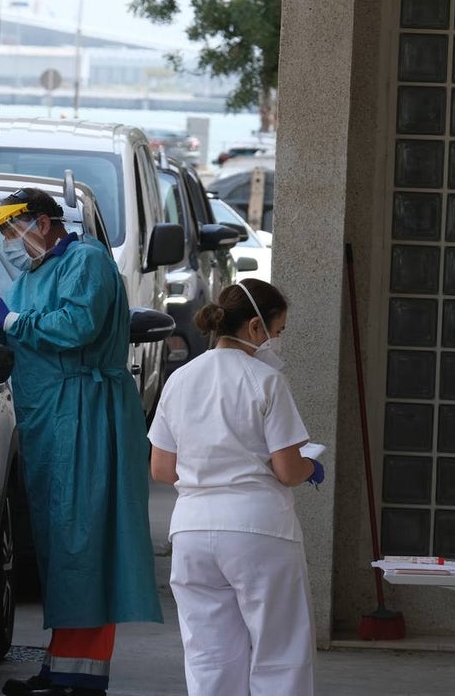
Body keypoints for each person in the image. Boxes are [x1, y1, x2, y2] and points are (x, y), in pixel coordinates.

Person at [0, 188, 162, 696]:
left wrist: (11, 320)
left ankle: (80, 678)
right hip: (51, 423)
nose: (10, 243)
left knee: (84, 542)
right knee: (60, 546)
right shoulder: (34, 272)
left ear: (44, 223)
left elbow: (75, 327)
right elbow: (28, 332)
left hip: (85, 418)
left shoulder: (86, 262)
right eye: (3, 236)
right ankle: (60, 667)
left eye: (13, 231)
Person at [147, 279, 322, 696]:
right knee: (280, 654)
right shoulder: (266, 381)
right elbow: (286, 469)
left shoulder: (180, 380)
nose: (277, 342)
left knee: (209, 657)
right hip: (259, 531)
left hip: (191, 533)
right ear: (256, 329)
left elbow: (161, 469)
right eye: (277, 332)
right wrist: (311, 466)